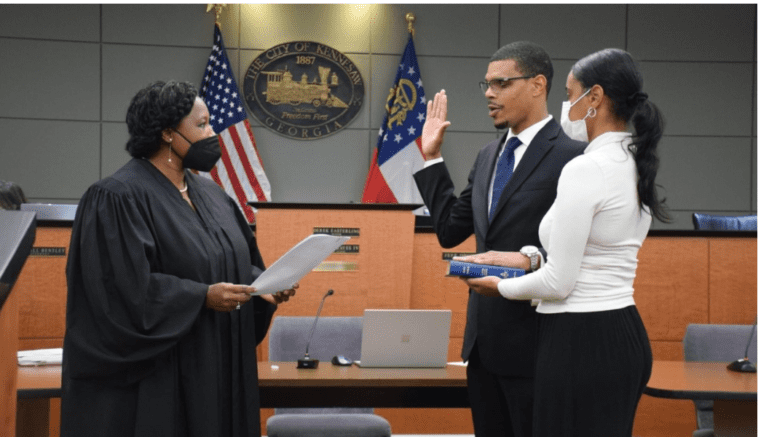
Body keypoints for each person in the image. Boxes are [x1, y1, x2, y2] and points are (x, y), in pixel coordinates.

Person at [61, 80, 296, 437]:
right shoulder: (117, 197)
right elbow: (119, 292)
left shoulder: (212, 194)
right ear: (167, 133)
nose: (213, 133)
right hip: (159, 377)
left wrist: (259, 288)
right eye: (201, 125)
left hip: (218, 366)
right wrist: (201, 296)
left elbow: (230, 262)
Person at [460, 48, 670, 436]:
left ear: (595, 99)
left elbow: (560, 283)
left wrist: (498, 286)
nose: (566, 105)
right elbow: (592, 253)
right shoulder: (631, 159)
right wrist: (525, 259)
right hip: (620, 333)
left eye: (571, 94)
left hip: (581, 341)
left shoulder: (585, 167)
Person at [415, 41, 586, 437]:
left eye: (501, 83)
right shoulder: (488, 156)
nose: (489, 94)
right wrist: (431, 157)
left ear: (538, 84)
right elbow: (450, 230)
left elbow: (577, 250)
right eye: (487, 85)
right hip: (483, 348)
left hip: (540, 347)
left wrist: (526, 262)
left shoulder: (574, 157)